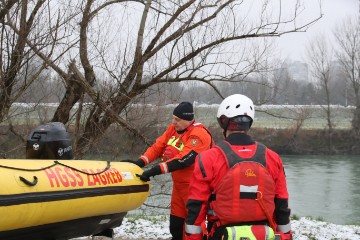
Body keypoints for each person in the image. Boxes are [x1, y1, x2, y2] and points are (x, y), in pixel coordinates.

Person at [184, 94, 292, 240]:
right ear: (249, 123)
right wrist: (286, 236)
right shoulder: (273, 158)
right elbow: (282, 206)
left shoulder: (207, 158)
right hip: (263, 235)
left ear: (223, 121)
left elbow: (195, 208)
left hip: (220, 234)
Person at [127, 102, 213, 240]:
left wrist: (153, 171)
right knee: (175, 227)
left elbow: (183, 160)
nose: (174, 122)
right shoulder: (173, 129)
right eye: (173, 118)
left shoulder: (200, 135)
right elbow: (158, 147)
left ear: (188, 119)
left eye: (177, 119)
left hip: (195, 188)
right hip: (179, 187)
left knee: (194, 229)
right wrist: (140, 163)